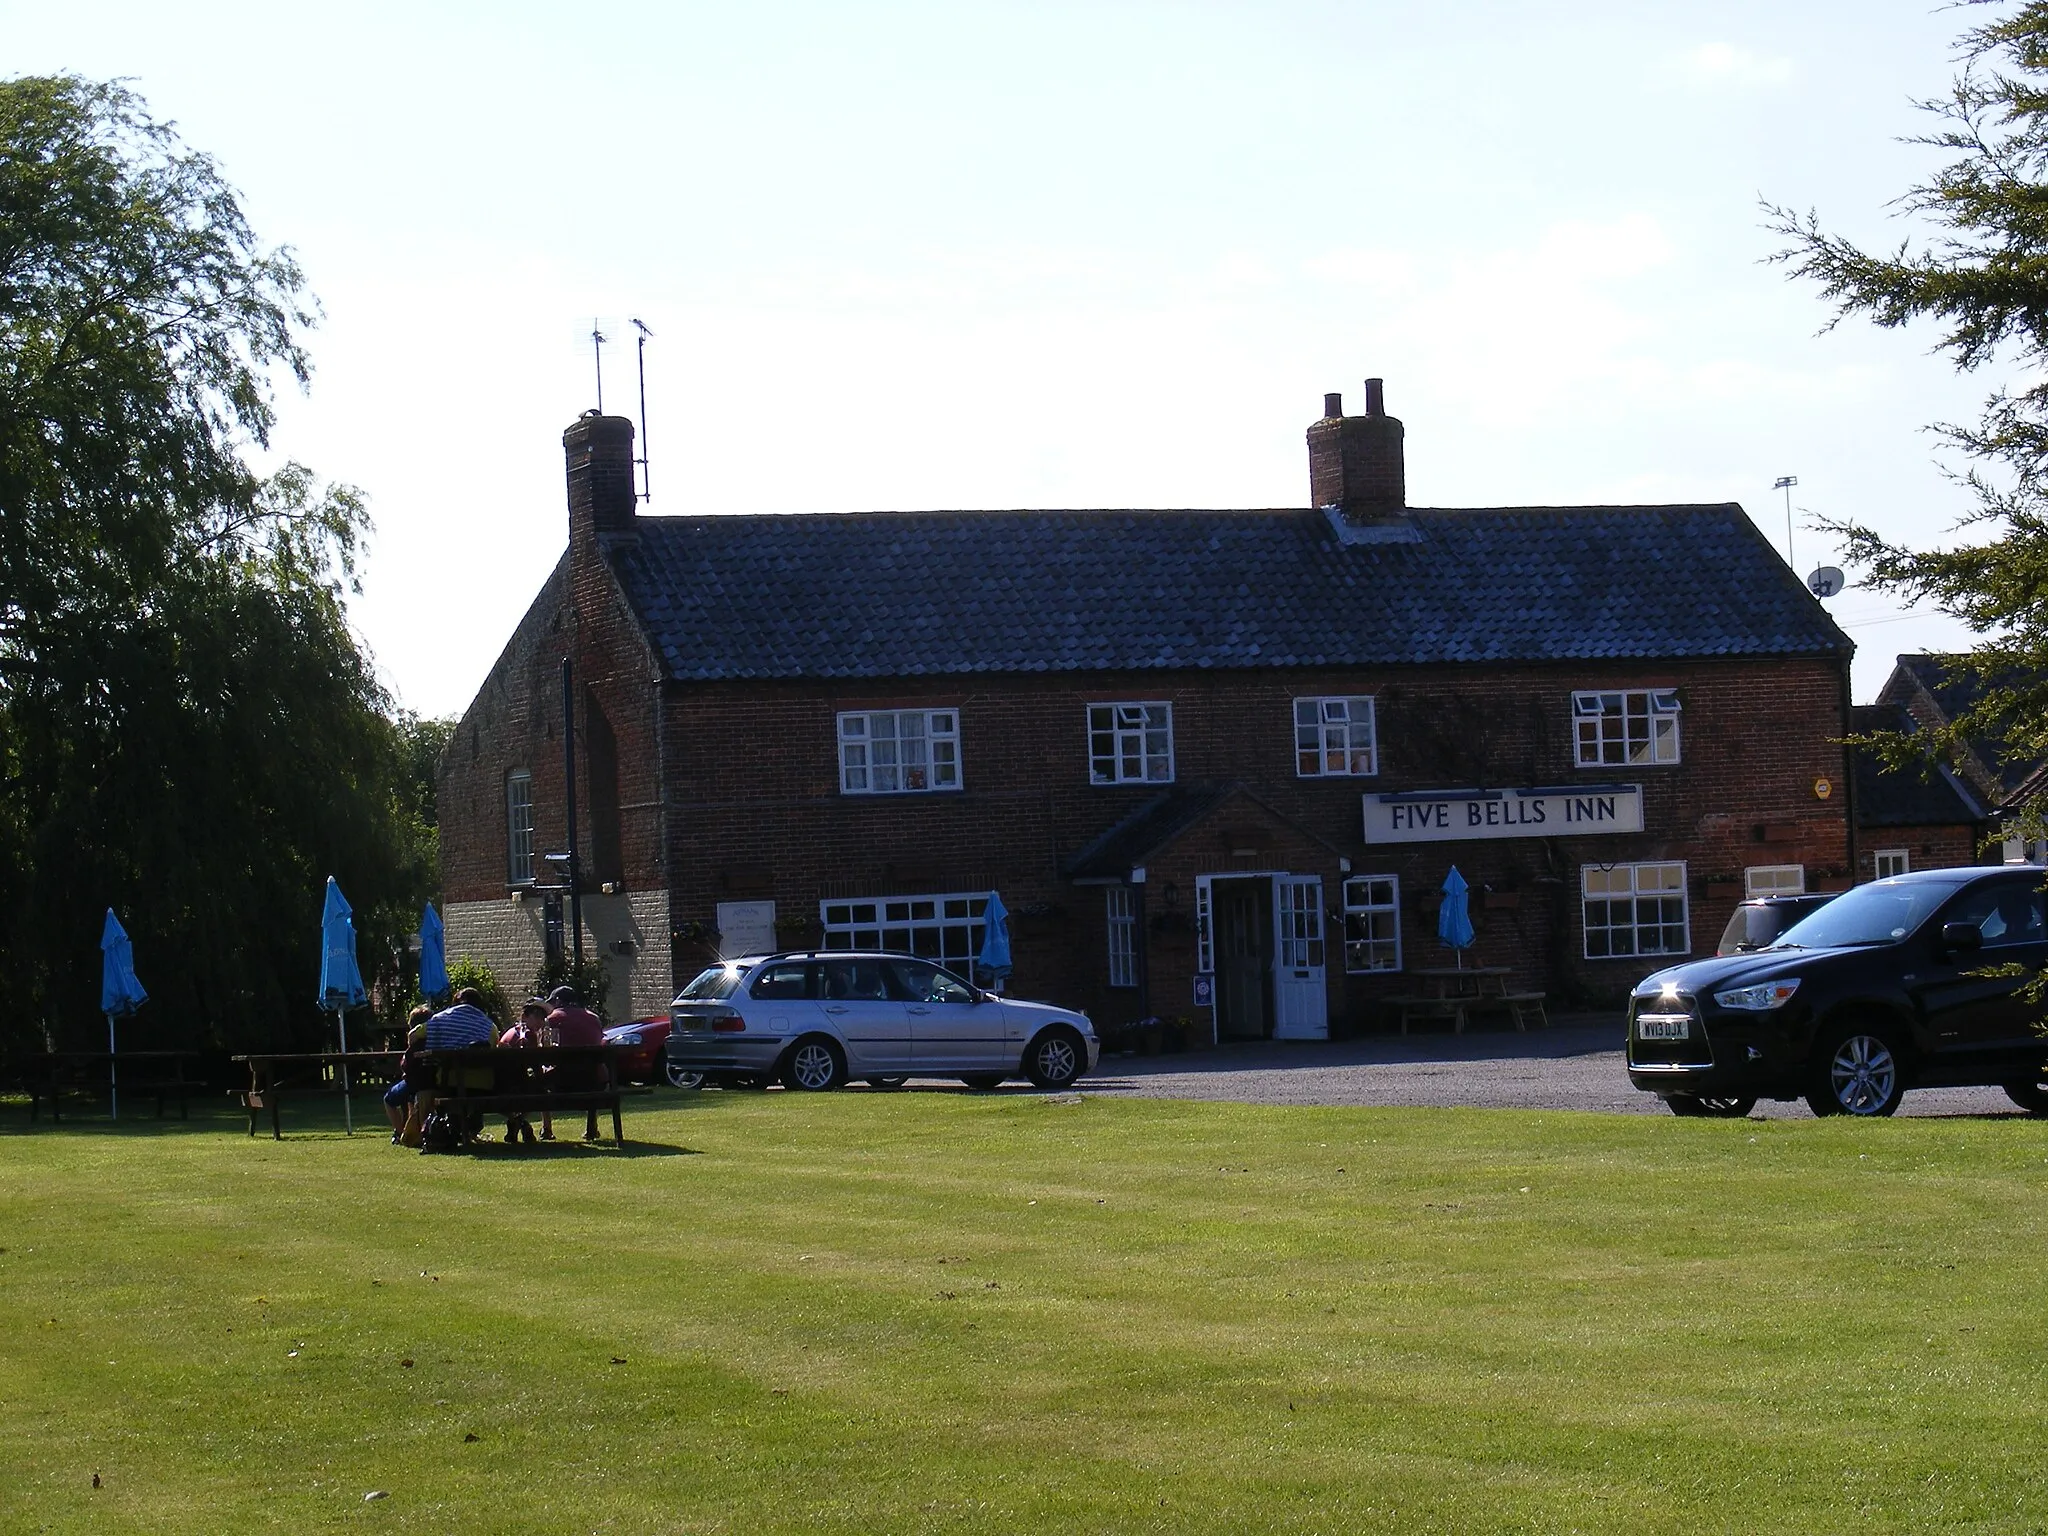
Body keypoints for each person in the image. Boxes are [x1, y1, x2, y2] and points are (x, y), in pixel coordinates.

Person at [544, 985, 609, 1141]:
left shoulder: (551, 1020)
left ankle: (546, 1129)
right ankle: (591, 1127)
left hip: (561, 1083)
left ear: (558, 1001)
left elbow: (545, 1053)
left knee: (541, 1076)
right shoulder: (593, 1018)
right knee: (596, 1069)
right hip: (593, 1083)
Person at [496, 998, 550, 1145]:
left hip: (500, 1084)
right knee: (544, 1088)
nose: (540, 1021)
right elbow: (535, 1067)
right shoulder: (527, 1035)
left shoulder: (511, 1031)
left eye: (542, 1018)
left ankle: (516, 1122)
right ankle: (524, 1123)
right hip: (513, 1086)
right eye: (536, 1016)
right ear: (524, 1016)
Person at [384, 1004, 434, 1142]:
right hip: (435, 1082)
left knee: (389, 1099)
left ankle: (400, 1132)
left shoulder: (416, 1043)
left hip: (416, 1083)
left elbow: (406, 1066)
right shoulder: (436, 1040)